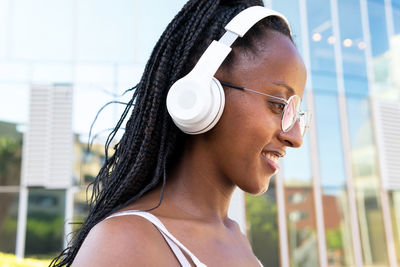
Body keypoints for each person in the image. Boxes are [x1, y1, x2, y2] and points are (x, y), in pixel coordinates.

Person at [51, 0, 308, 266]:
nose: (296, 137)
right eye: (279, 105)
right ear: (201, 95)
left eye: (297, 114)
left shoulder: (237, 239)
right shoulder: (125, 242)